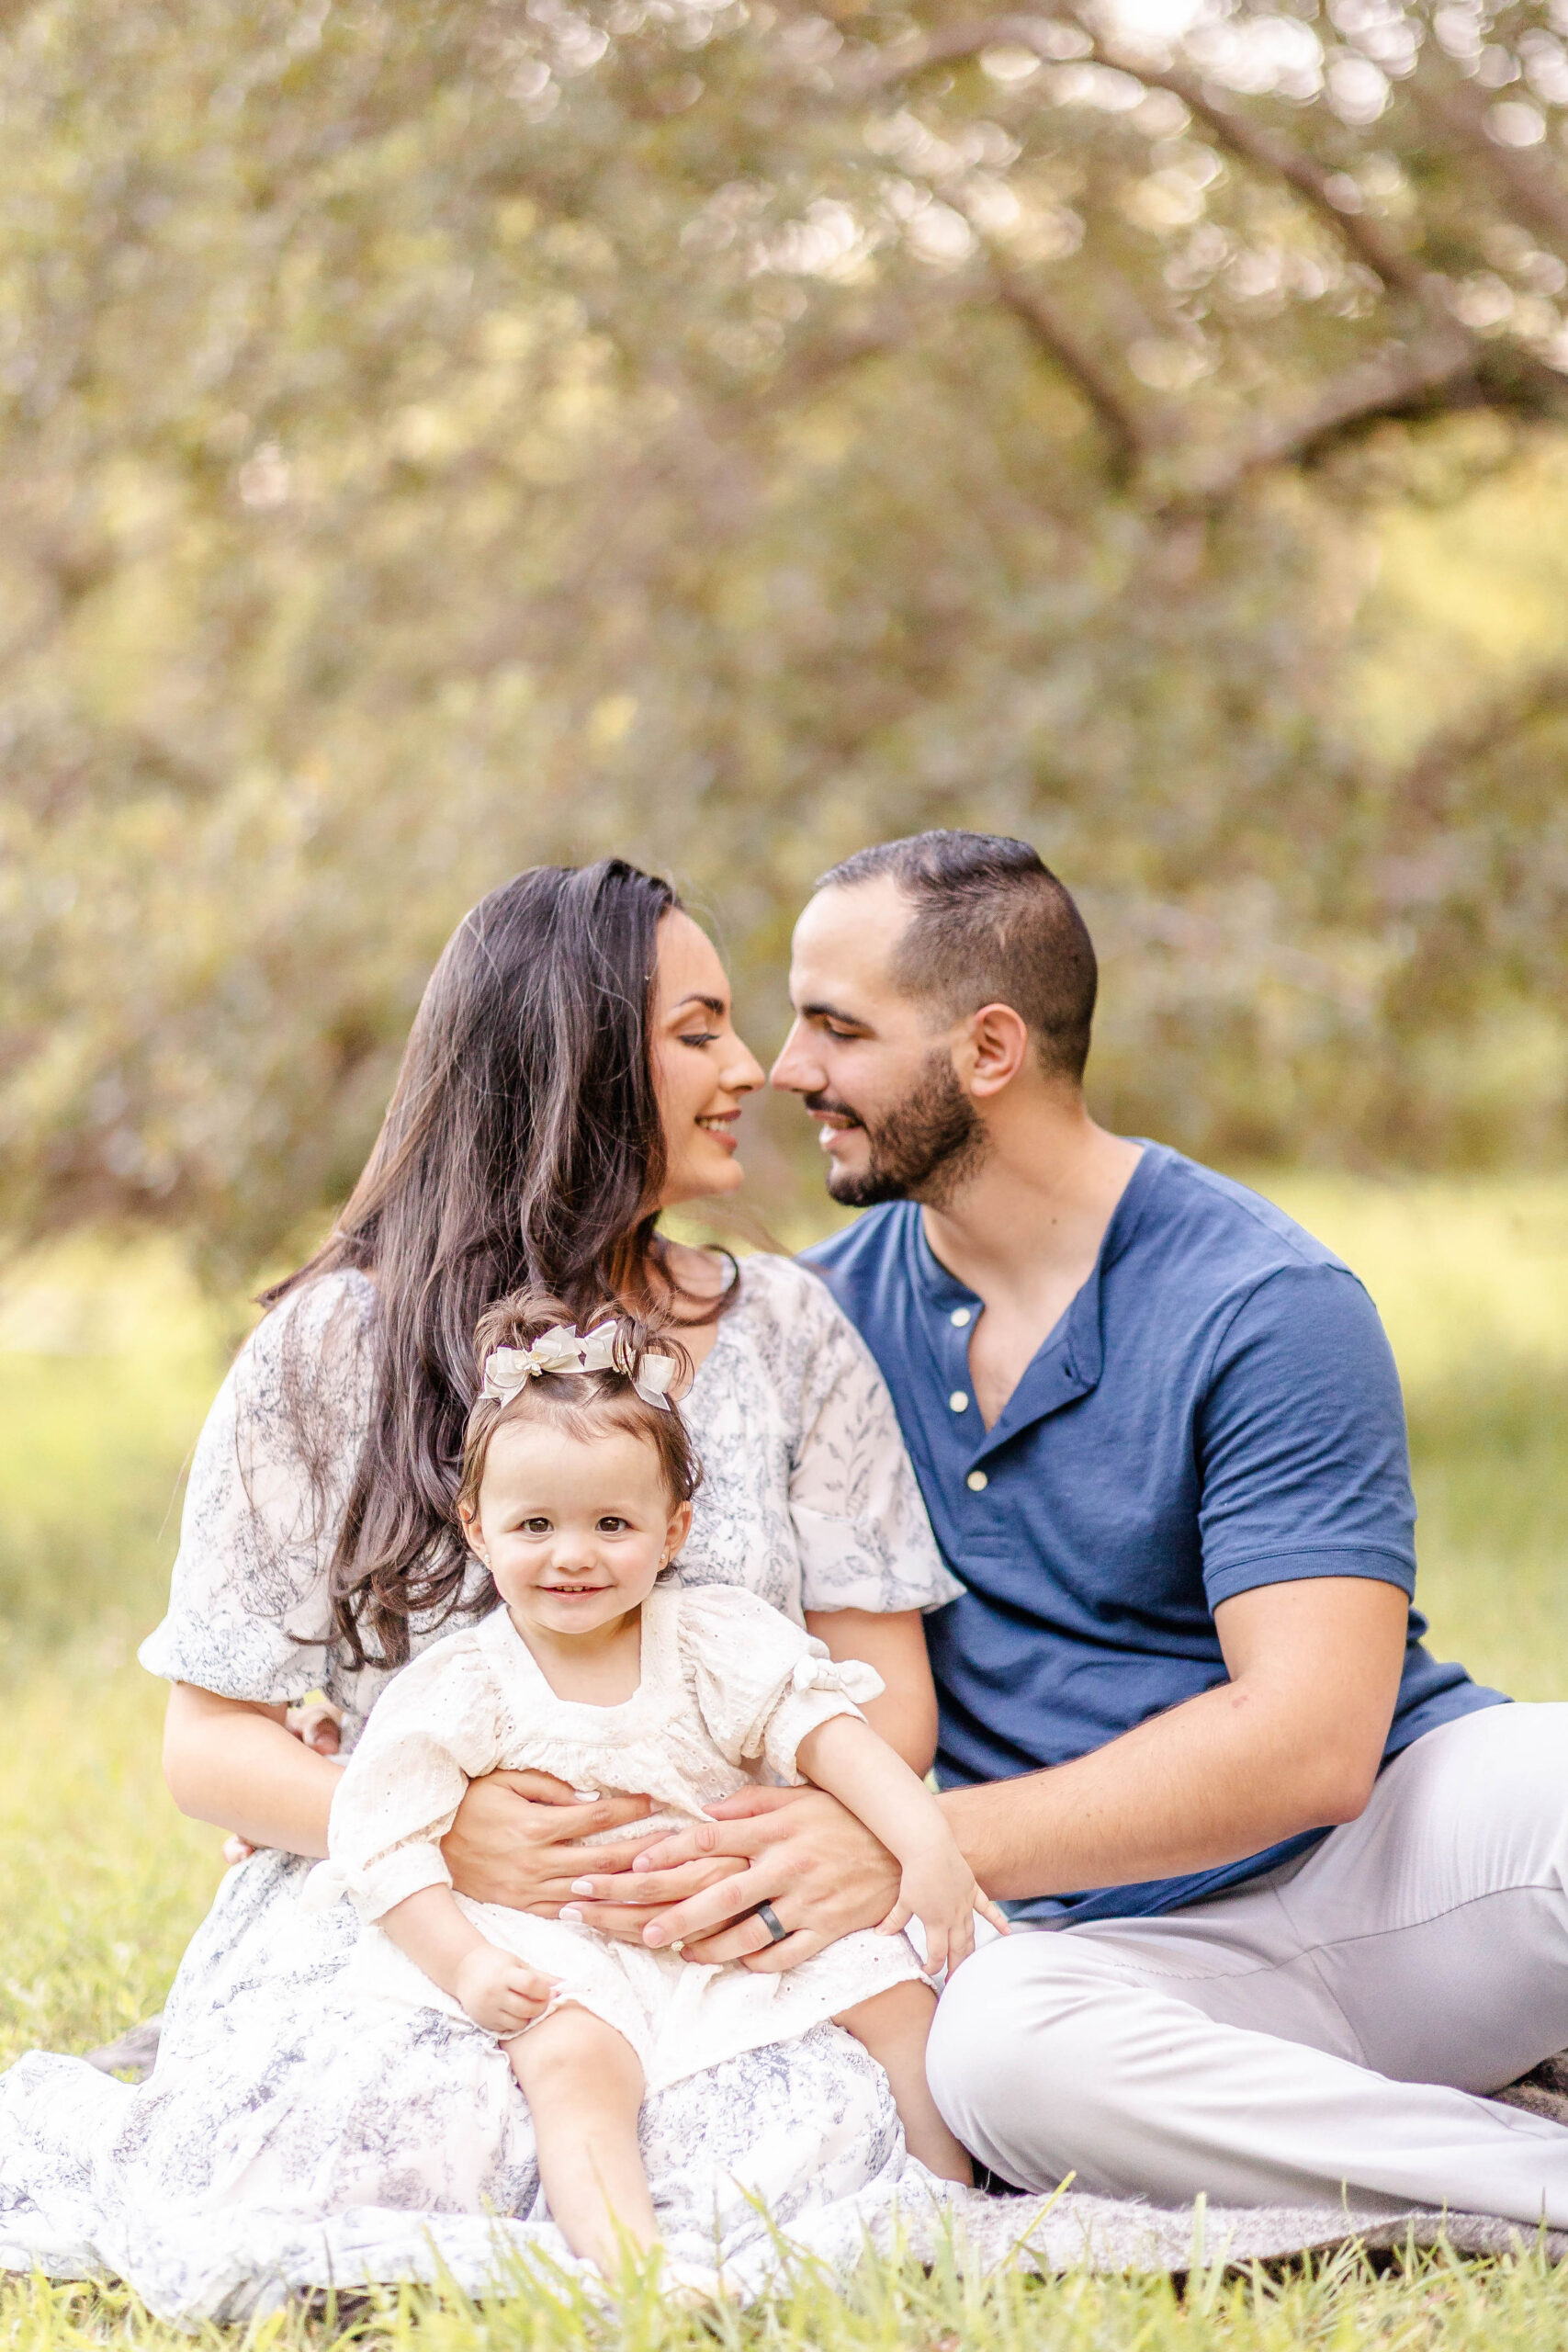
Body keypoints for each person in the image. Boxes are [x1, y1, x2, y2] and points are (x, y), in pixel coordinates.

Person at [566, 829, 1568, 2230]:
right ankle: (1525, 2178)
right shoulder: (809, 1327)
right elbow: (638, 1593)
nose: (785, 1070)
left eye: (836, 1028)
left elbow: (1313, 1743)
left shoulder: (1262, 1301)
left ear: (987, 1051)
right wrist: (381, 1749)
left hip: (1384, 1867)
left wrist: (917, 1837)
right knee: (999, 2060)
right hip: (1099, 1958)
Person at [0, 860, 961, 2320]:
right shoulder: (334, 1351)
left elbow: (883, 1701)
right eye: (697, 1031)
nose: (749, 1068)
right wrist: (440, 1831)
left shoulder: (788, 1338)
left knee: (806, 2139)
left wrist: (809, 1836)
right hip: (414, 1908)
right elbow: (209, 1745)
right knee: (388, 2137)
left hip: (711, 1910)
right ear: (572, 1059)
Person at [311, 1290, 998, 2287]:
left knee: (893, 1996)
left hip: (722, 1922)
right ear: (477, 1526)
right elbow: (381, 1837)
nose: (574, 1553)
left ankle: (956, 2205)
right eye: (536, 1523)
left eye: (612, 1522)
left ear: (673, 1530)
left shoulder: (710, 1638)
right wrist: (462, 1962)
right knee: (571, 2061)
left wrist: (925, 1840)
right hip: (563, 1940)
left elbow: (826, 1734)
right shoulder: (465, 1685)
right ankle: (634, 2272)